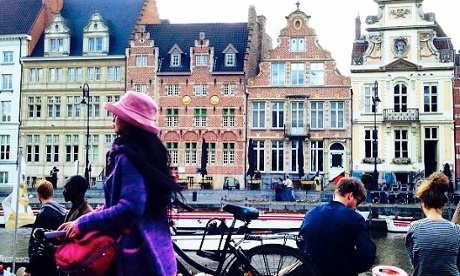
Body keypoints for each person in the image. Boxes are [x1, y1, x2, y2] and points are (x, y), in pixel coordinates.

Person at [58, 91, 183, 276]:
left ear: (130, 120)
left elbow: (129, 208)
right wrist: (78, 221)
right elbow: (117, 206)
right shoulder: (144, 154)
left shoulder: (127, 157)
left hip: (136, 257)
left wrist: (81, 224)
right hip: (154, 250)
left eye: (118, 113)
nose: (113, 117)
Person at [298, 177, 376, 275]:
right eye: (358, 201)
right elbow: (367, 254)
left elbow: (301, 243)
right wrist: (353, 267)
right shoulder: (355, 218)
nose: (356, 206)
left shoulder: (310, 213)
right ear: (350, 195)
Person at [405, 172, 460, 276]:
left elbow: (415, 261)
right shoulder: (456, 230)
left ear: (423, 205)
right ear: (443, 205)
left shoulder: (414, 228)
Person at [23, 180, 66, 276]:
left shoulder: (44, 213)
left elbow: (38, 243)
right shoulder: (61, 211)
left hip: (43, 264)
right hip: (56, 260)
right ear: (52, 193)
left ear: (38, 195)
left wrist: (29, 268)